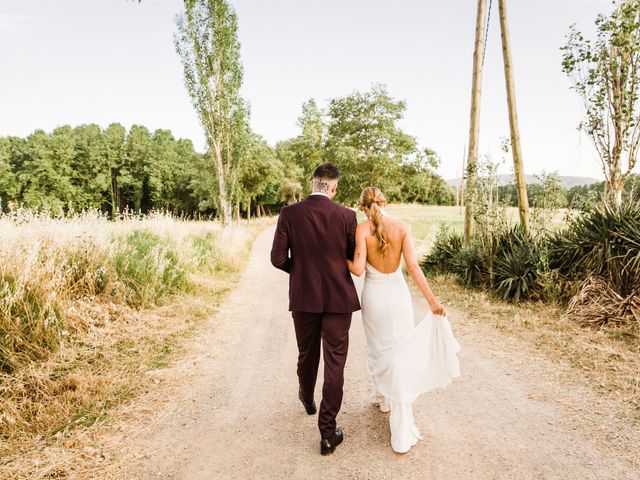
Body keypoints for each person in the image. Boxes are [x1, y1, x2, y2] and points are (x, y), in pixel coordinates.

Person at [348, 186, 460, 454]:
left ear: (363, 207)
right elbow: (413, 267)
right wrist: (432, 302)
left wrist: (339, 258)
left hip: (374, 296)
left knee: (379, 349)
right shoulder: (402, 226)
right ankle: (393, 408)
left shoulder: (362, 230)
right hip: (398, 297)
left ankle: (385, 398)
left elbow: (358, 269)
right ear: (386, 202)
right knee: (400, 350)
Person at [270, 163, 360, 456]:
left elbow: (277, 258)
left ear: (313, 184)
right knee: (335, 362)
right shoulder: (347, 216)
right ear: (333, 188)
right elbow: (350, 257)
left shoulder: (289, 213)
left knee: (307, 353)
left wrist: (300, 272)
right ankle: (327, 433)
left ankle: (307, 398)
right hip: (338, 300)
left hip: (304, 297)